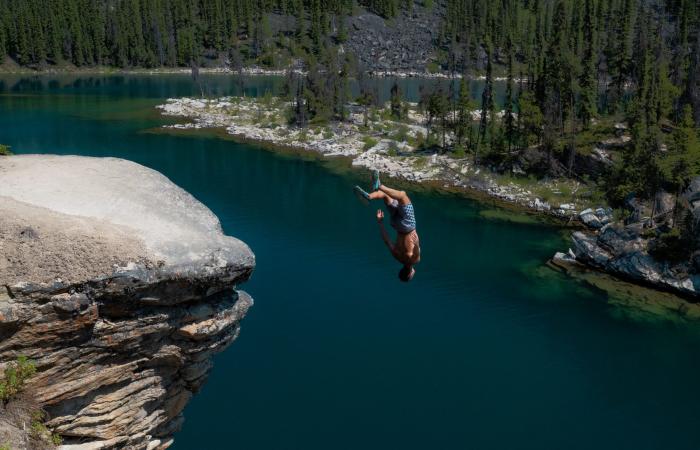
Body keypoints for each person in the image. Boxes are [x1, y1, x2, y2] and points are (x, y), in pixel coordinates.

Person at [354, 171, 421, 282]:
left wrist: (417, 244)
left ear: (410, 274)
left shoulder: (413, 261)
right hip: (397, 225)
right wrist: (380, 222)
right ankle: (369, 196)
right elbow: (386, 240)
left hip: (408, 226)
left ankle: (378, 186)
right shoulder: (397, 256)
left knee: (402, 195)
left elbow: (416, 252)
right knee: (385, 196)